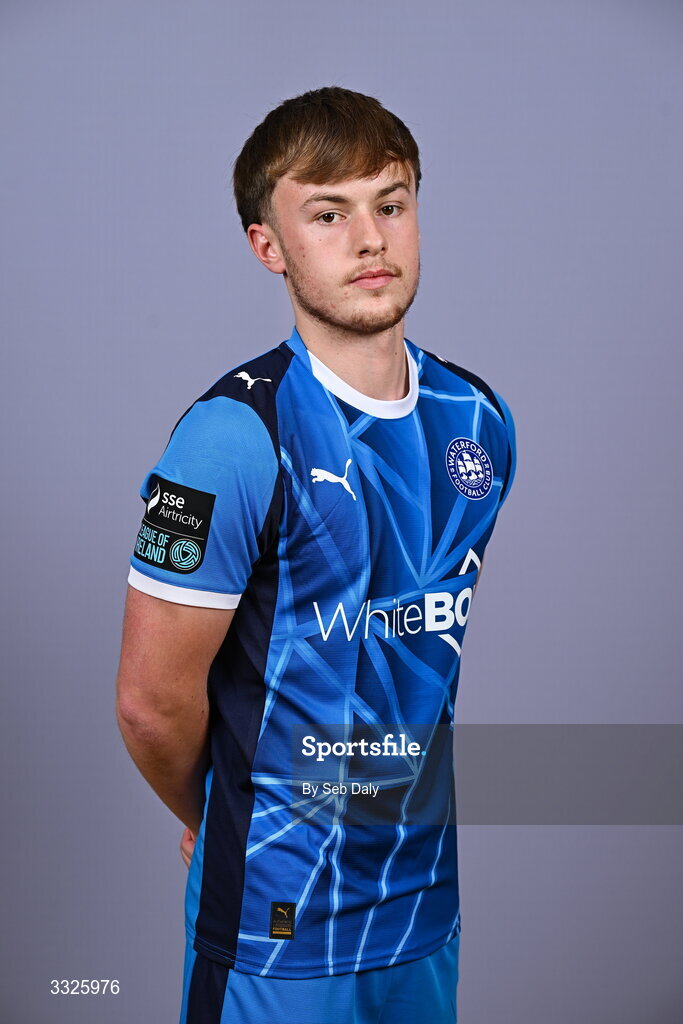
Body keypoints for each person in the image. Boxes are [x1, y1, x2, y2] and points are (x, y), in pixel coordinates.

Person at [115, 85, 516, 1024]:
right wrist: (215, 812)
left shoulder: (477, 421)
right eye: (327, 214)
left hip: (423, 914)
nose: (370, 239)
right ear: (269, 246)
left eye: (391, 202)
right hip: (278, 931)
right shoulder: (229, 440)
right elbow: (149, 704)